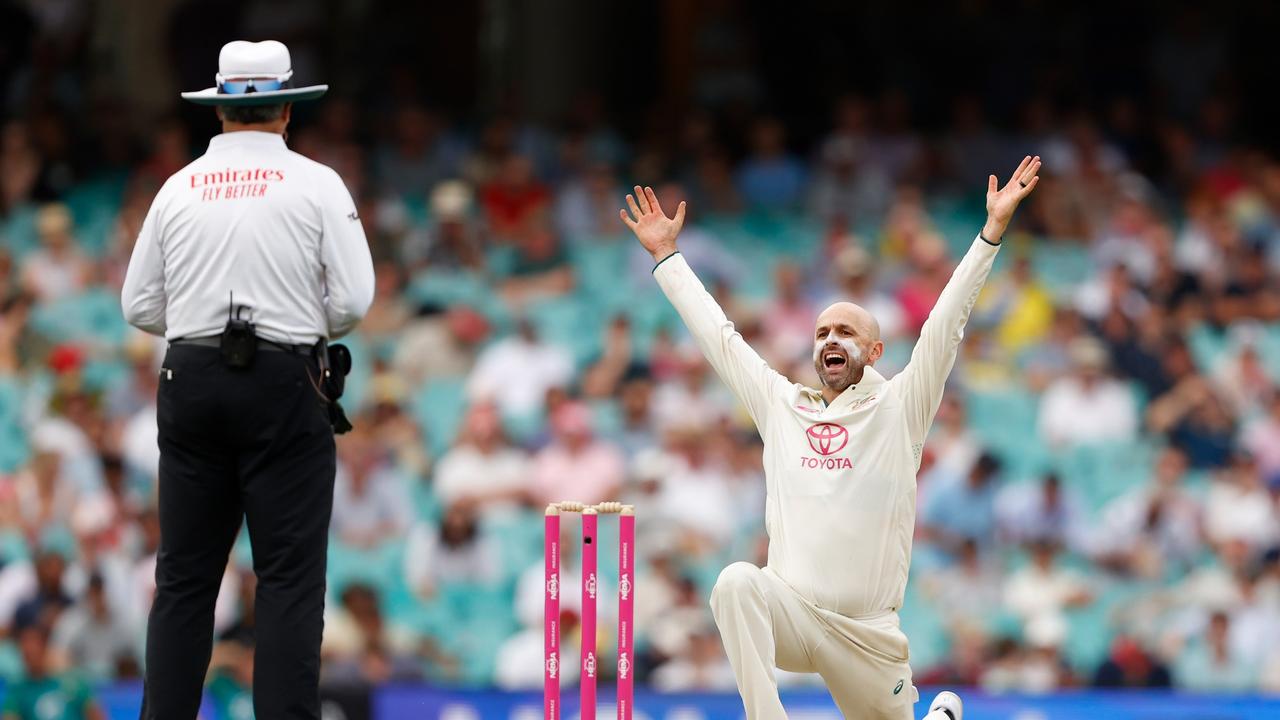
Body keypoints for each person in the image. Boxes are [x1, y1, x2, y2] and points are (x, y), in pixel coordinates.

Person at [619, 155, 1042, 720]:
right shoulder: (780, 403)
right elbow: (719, 339)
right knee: (737, 582)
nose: (829, 339)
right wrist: (667, 257)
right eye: (821, 332)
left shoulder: (900, 407)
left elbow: (946, 324)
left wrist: (991, 233)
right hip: (790, 614)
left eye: (845, 331)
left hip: (866, 636)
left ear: (874, 352)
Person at [120, 40, 374, 718]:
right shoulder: (317, 183)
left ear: (221, 109)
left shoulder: (178, 187)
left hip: (191, 375)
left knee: (184, 579)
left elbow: (137, 305)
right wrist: (289, 322)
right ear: (286, 108)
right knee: (287, 580)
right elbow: (353, 300)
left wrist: (204, 327)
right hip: (285, 378)